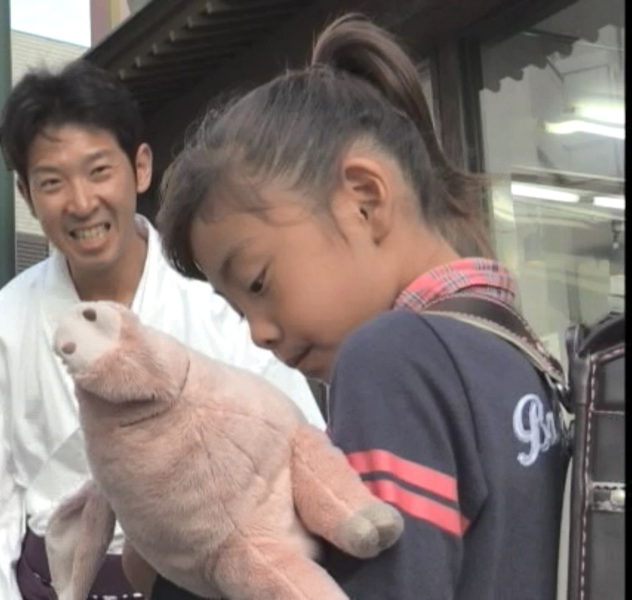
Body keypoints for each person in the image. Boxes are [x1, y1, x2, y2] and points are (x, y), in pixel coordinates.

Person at [146, 14, 566, 600]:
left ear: (364, 199)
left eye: (258, 282)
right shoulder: (516, 352)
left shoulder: (391, 358)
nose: (257, 334)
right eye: (237, 310)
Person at [0, 60, 324, 600]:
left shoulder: (219, 307)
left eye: (98, 171)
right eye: (52, 182)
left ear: (139, 167)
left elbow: (298, 454)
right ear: (26, 194)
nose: (81, 202)